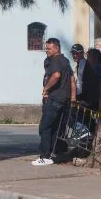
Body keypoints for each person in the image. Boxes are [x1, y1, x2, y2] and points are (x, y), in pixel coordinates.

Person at [34, 37, 74, 166]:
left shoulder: (56, 60)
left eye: (49, 48)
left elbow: (56, 75)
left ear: (57, 48)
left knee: (45, 127)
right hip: (63, 100)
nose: (47, 51)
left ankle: (45, 156)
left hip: (55, 98)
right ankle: (53, 154)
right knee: (55, 128)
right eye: (46, 48)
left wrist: (46, 89)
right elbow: (72, 79)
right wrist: (73, 98)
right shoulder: (65, 60)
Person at [78, 48, 101, 112]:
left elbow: (94, 83)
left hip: (95, 99)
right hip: (90, 99)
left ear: (94, 57)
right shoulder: (90, 66)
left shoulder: (97, 67)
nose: (88, 59)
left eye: (89, 56)